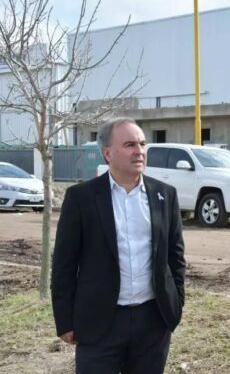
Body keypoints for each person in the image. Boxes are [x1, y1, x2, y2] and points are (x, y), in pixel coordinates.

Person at [51, 117, 186, 374]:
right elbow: (64, 264)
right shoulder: (81, 198)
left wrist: (175, 303)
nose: (139, 151)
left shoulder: (165, 195)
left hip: (153, 320)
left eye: (142, 143)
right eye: (129, 144)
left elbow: (175, 256)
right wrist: (64, 320)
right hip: (99, 322)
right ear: (107, 153)